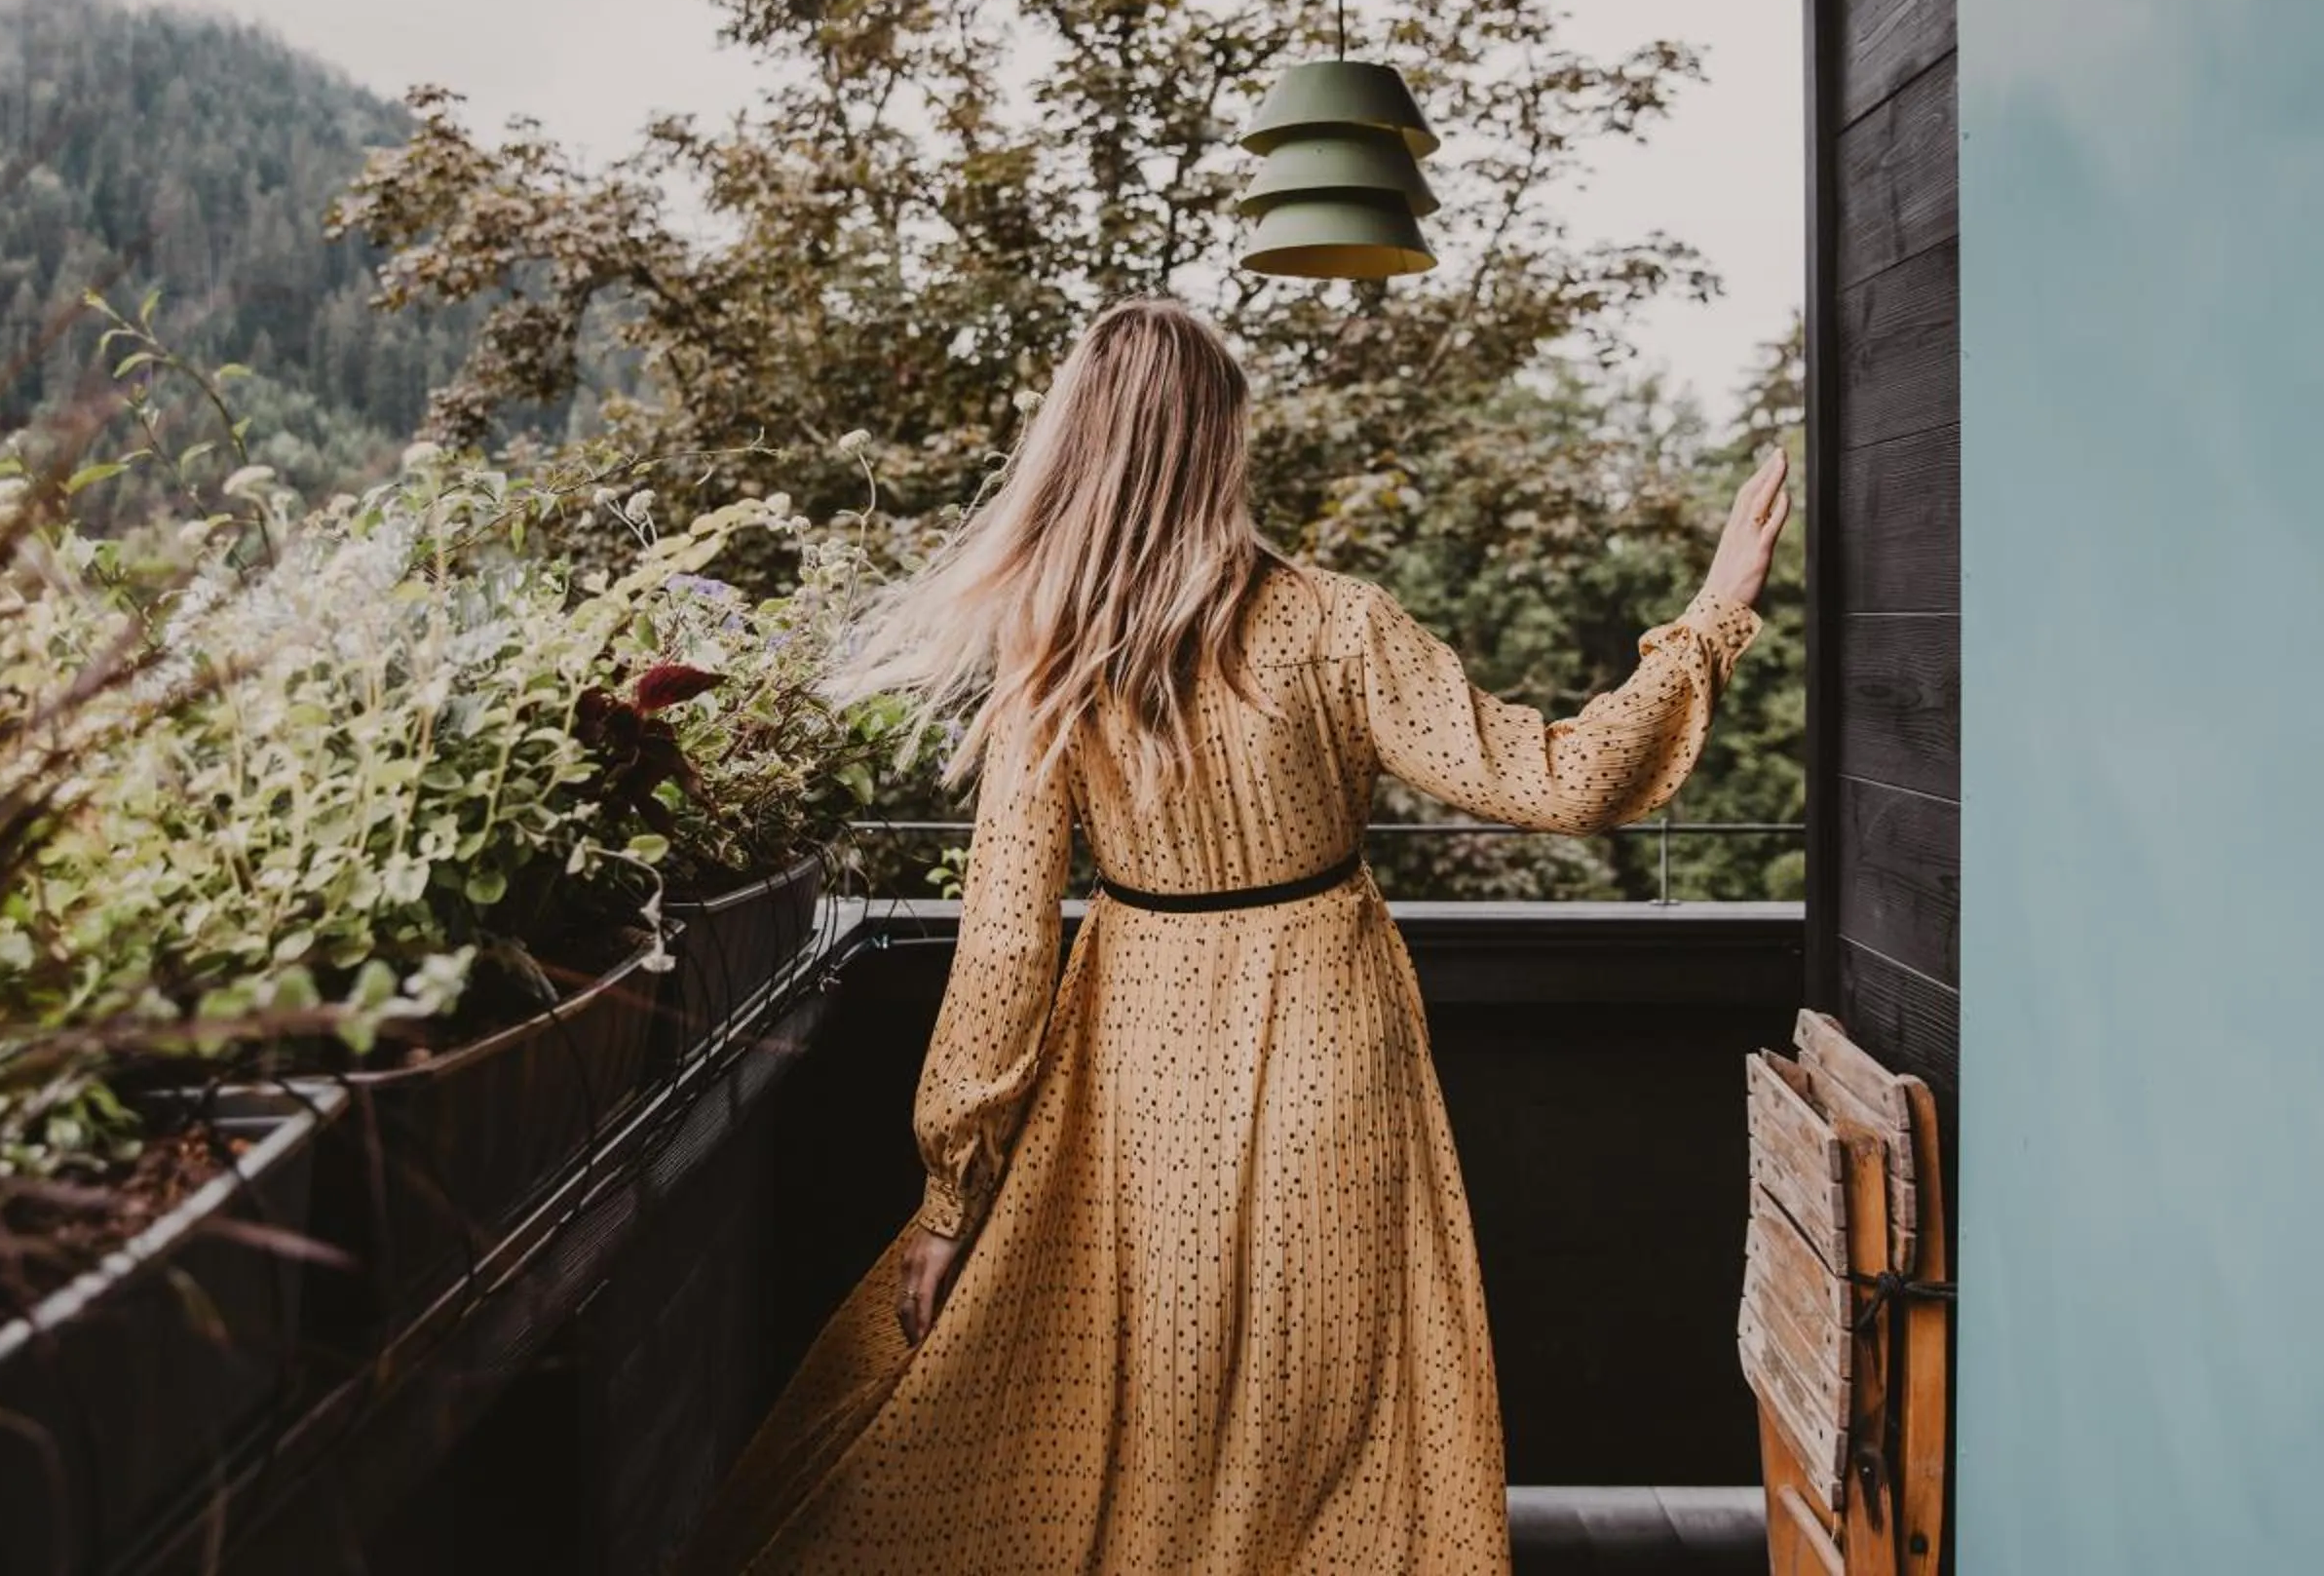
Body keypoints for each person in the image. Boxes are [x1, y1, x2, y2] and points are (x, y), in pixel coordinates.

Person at [667, 295, 1788, 1575]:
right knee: (1339, 1416)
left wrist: (952, 1187)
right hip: (1331, 1041)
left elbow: (1002, 948)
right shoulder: (1333, 623)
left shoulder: (1056, 660)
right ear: (1221, 441)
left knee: (1163, 1393)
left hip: (1140, 1076)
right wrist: (1710, 615)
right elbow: (1565, 782)